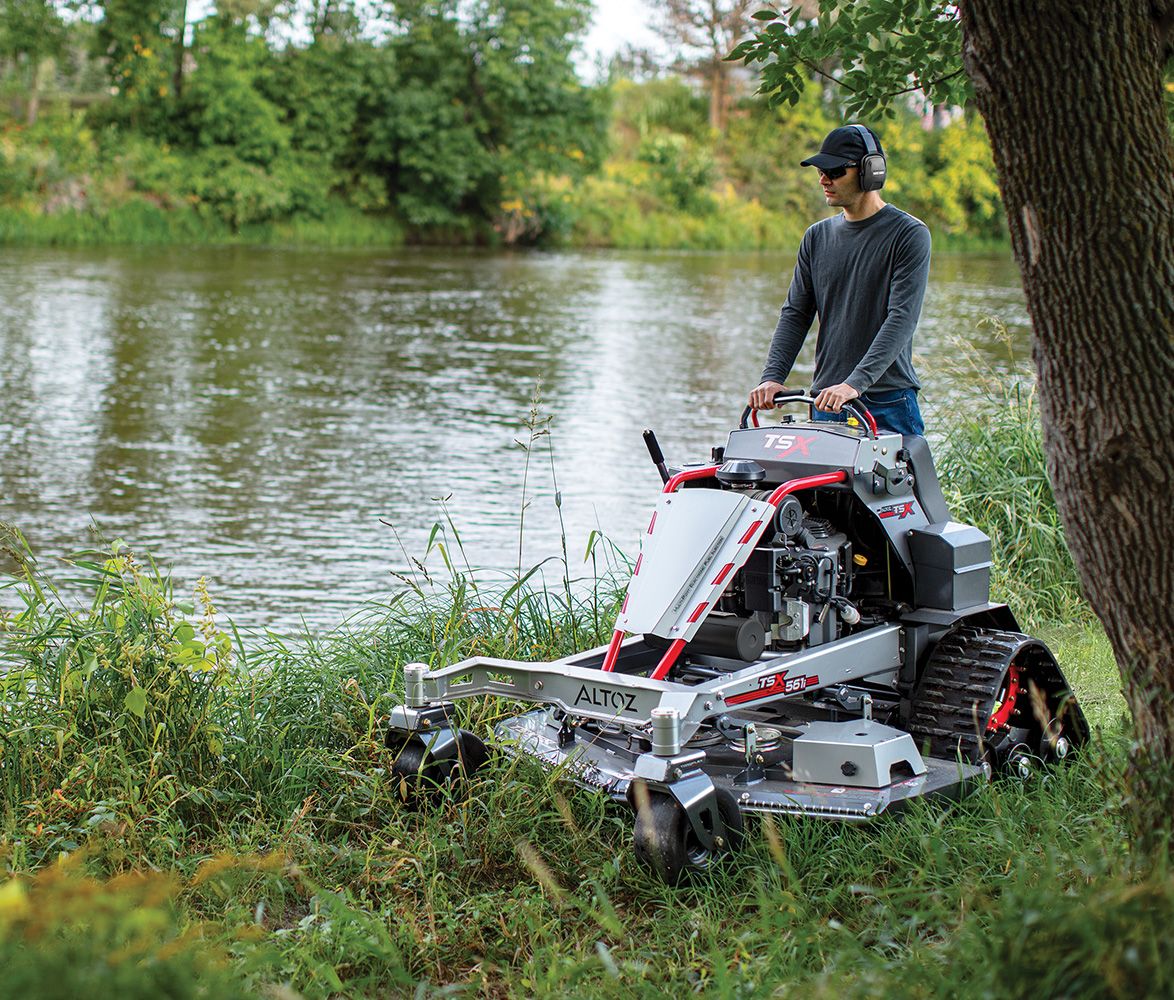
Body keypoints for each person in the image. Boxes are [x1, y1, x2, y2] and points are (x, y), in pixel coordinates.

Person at [748, 124, 931, 436]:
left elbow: (901, 318)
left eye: (834, 171)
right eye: (821, 171)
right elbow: (796, 314)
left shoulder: (908, 234)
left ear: (870, 171)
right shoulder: (816, 237)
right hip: (826, 402)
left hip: (887, 402)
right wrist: (773, 376)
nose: (823, 180)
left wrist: (854, 384)